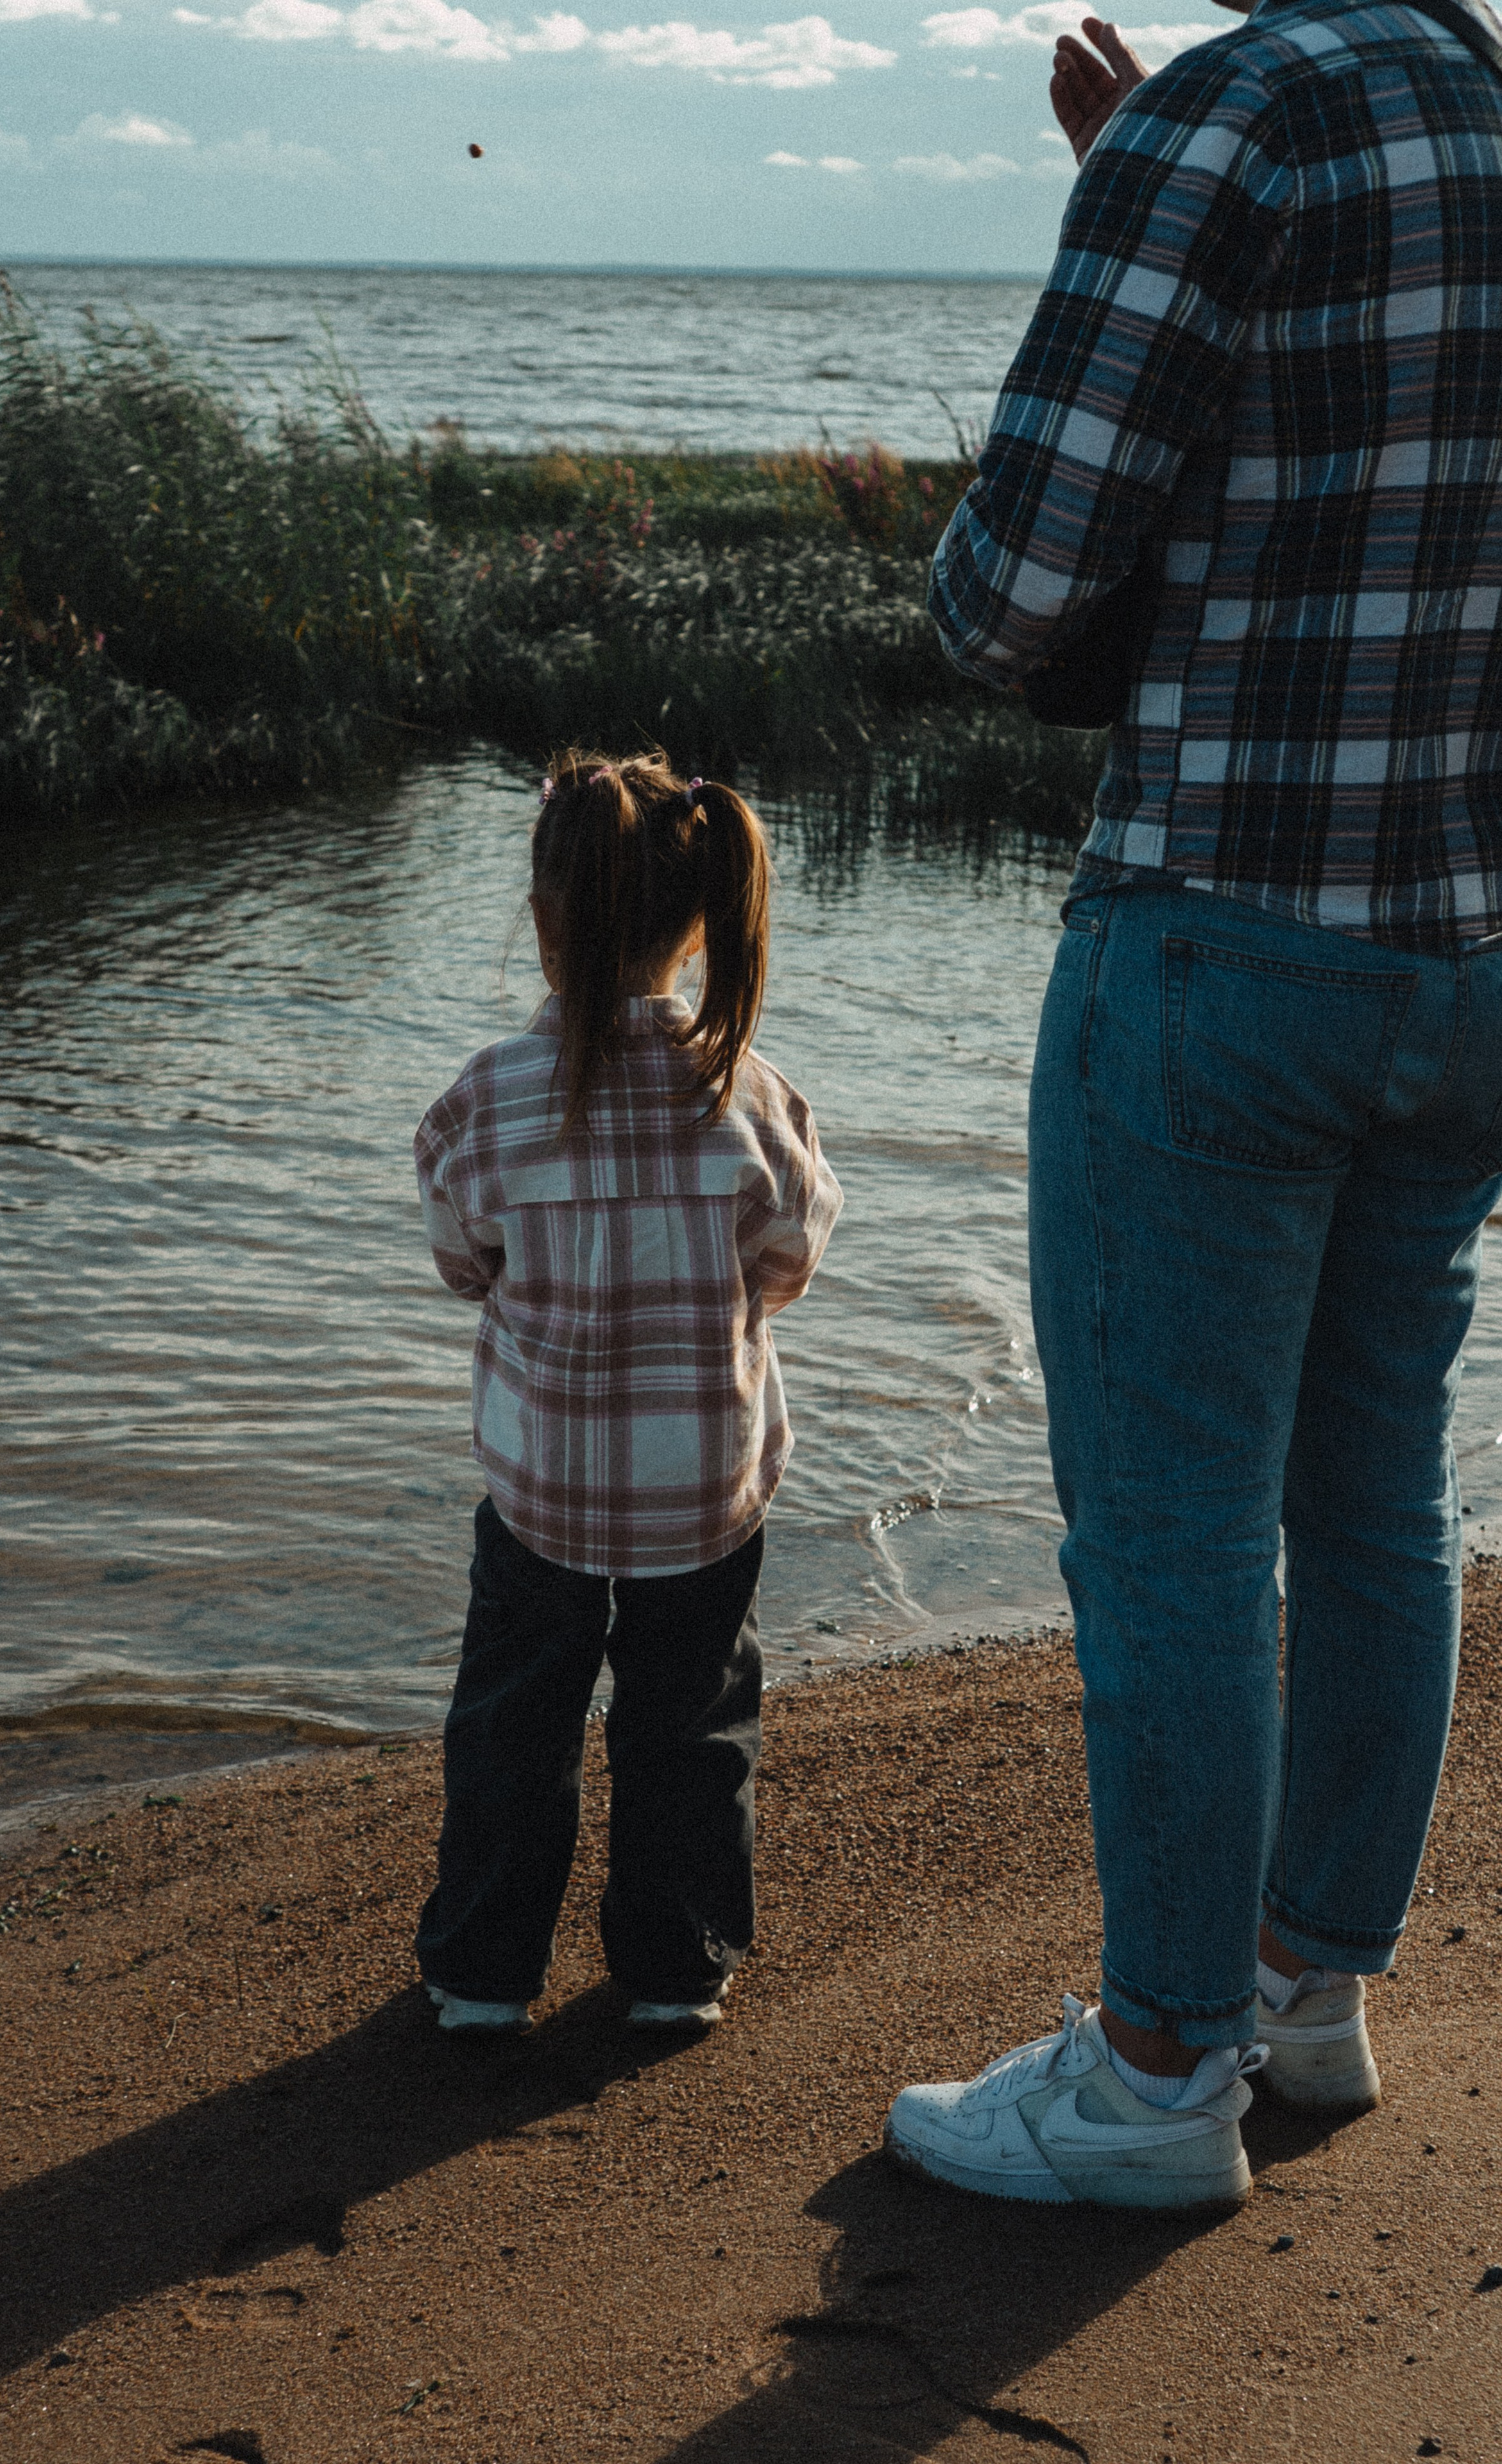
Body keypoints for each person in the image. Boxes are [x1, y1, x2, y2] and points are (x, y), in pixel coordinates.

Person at [887, 0, 1502, 2209]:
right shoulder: (1479, 106)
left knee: (1165, 1532)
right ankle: (1299, 1998)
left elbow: (1013, 590)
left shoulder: (1234, 111)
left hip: (1224, 931)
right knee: (1373, 1503)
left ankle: (1156, 2079)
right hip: (1469, 956)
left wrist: (1130, 192)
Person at [413, 749, 842, 2035]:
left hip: (542, 1494)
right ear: (701, 917)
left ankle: (481, 1978)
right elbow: (787, 1263)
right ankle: (674, 1967)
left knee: (510, 1723)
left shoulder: (488, 1098)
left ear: (544, 920)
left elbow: (462, 1262)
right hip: (702, 1491)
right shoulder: (750, 1097)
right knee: (689, 1725)